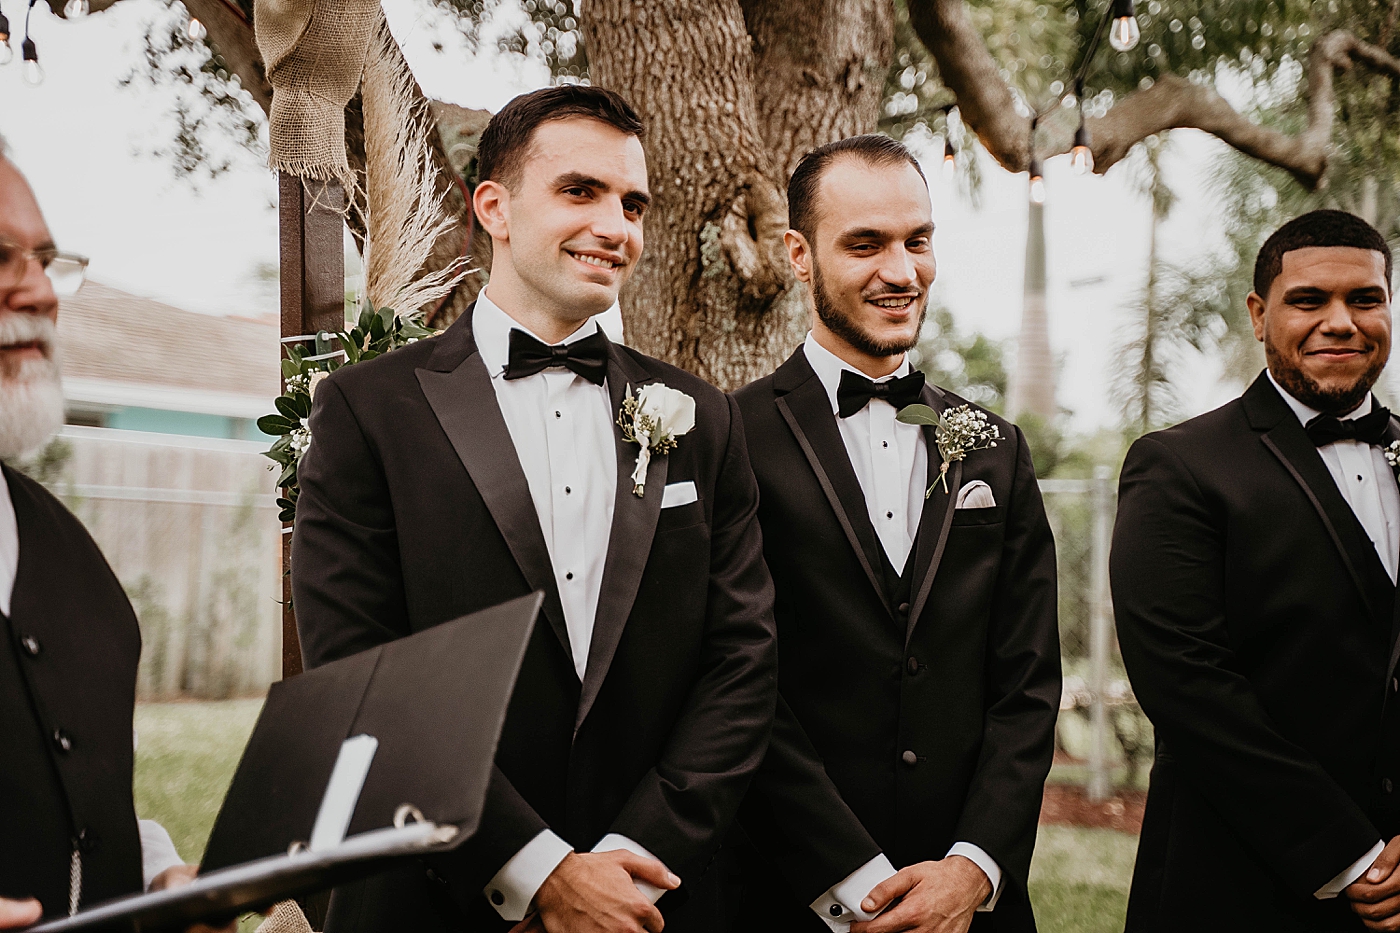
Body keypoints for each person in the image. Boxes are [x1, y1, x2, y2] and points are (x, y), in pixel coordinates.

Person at [291, 85, 778, 933]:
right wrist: (539, 871)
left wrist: (632, 860)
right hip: (431, 899)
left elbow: (742, 662)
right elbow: (361, 678)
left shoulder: (702, 418)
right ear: (495, 207)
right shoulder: (369, 412)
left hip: (651, 902)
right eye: (580, 191)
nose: (616, 226)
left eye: (633, 203)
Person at [728, 135, 1061, 933]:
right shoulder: (730, 437)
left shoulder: (995, 447)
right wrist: (852, 880)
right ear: (799, 256)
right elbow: (735, 680)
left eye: (918, 240)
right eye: (866, 244)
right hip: (788, 893)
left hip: (971, 907)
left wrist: (973, 867)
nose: (902, 271)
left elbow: (1028, 684)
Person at [1112, 209, 1400, 932]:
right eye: (1309, 300)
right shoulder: (1179, 465)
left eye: (1365, 298)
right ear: (1258, 313)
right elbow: (1186, 683)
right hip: (1236, 884)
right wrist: (1351, 853)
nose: (1341, 321)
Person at [0, 142, 208, 926]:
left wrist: (158, 875)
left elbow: (80, 790)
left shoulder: (64, 547)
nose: (38, 290)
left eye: (47, 259)